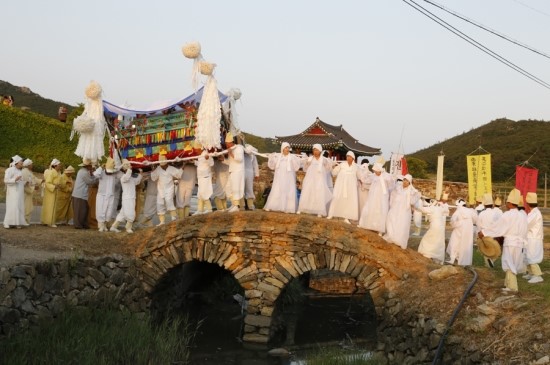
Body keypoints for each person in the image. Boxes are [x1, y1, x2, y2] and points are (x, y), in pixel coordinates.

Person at [479, 188, 528, 292]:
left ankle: (512, 287)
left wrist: (484, 233)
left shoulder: (508, 215)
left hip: (510, 243)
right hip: (520, 243)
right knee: (513, 264)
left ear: (510, 203)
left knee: (509, 264)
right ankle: (507, 284)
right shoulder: (522, 215)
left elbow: (497, 228)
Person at [383, 174, 421, 249]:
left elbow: (412, 202)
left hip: (404, 211)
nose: (405, 182)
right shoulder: (398, 187)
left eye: (407, 181)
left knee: (402, 225)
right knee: (391, 221)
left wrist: (417, 195)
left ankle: (399, 240)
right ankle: (391, 236)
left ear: (409, 182)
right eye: (404, 180)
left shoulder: (411, 191)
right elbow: (392, 194)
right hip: (395, 208)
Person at [263, 142, 301, 213]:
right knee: (277, 189)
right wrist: (271, 157)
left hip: (289, 177)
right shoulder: (278, 157)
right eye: (286, 147)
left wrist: (297, 159)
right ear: (282, 148)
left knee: (288, 190)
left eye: (288, 148)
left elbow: (296, 167)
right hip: (279, 176)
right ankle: (272, 206)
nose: (287, 149)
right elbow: (272, 165)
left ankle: (288, 208)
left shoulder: (292, 157)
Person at [297, 144, 333, 217]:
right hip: (310, 177)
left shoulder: (324, 159)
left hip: (320, 178)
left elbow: (328, 168)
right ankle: (302, 208)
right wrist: (306, 163)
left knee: (319, 192)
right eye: (314, 150)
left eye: (316, 150)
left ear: (320, 151)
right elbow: (305, 168)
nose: (315, 151)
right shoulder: (310, 159)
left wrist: (322, 173)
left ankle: (319, 210)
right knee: (307, 190)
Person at [358, 162, 394, 234]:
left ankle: (380, 229)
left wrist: (391, 179)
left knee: (381, 211)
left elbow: (391, 186)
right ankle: (366, 224)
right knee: (370, 208)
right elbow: (364, 180)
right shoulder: (373, 176)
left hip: (382, 197)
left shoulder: (386, 176)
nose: (375, 172)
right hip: (373, 196)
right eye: (374, 171)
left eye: (376, 170)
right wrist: (365, 171)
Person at [327, 151, 361, 223]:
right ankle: (331, 214)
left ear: (353, 158)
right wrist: (331, 167)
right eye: (347, 156)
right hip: (341, 185)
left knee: (348, 201)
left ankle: (346, 217)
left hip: (350, 187)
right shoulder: (342, 164)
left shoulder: (356, 167)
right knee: (336, 197)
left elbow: (360, 176)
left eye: (350, 157)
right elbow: (334, 172)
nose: (348, 158)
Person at [110, 160, 142, 233]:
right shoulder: (123, 177)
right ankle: (128, 228)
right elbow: (127, 176)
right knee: (130, 212)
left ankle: (113, 227)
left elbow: (137, 181)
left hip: (131, 198)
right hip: (127, 198)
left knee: (122, 214)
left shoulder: (131, 178)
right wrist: (129, 169)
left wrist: (140, 173)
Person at [151, 155, 182, 225]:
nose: (162, 166)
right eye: (161, 165)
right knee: (159, 204)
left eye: (164, 165)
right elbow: (153, 178)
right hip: (161, 189)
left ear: (167, 163)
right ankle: (162, 221)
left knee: (169, 201)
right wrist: (153, 169)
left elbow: (179, 175)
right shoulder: (158, 169)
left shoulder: (171, 168)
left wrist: (182, 167)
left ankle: (174, 217)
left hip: (169, 188)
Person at [446, 198, 477, 266]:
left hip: (459, 228)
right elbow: (475, 219)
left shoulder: (458, 211)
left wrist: (454, 225)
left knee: (455, 242)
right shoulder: (470, 211)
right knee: (465, 243)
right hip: (468, 228)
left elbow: (453, 220)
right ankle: (463, 260)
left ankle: (453, 258)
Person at [476, 193, 503, 267]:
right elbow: (500, 224)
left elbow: (478, 225)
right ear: (492, 204)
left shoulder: (482, 214)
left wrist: (478, 233)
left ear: (484, 205)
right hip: (494, 235)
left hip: (484, 235)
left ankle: (488, 263)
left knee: (486, 250)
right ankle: (491, 262)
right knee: (495, 250)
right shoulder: (496, 213)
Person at [417, 199, 448, 264]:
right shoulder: (439, 209)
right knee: (439, 241)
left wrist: (413, 204)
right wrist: (442, 204)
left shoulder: (431, 208)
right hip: (441, 226)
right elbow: (446, 210)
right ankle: (437, 257)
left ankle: (427, 253)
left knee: (427, 239)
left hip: (435, 226)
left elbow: (421, 209)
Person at [94, 157, 120, 232]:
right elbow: (95, 175)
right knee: (101, 211)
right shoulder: (101, 172)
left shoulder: (114, 173)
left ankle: (104, 225)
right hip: (102, 195)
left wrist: (115, 166)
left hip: (111, 196)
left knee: (108, 212)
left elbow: (119, 169)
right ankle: (101, 226)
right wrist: (100, 167)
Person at [523, 192, 544, 284]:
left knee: (532, 256)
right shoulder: (534, 212)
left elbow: (526, 224)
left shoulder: (535, 213)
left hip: (533, 238)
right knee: (528, 256)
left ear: (527, 204)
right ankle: (531, 273)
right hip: (531, 238)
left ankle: (537, 275)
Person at [72, 158, 97, 229]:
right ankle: (78, 225)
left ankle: (83, 224)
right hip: (79, 194)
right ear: (87, 166)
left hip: (81, 194)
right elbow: (90, 182)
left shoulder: (83, 171)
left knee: (83, 210)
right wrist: (97, 178)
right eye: (90, 166)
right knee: (80, 211)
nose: (91, 167)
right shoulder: (84, 172)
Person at [3, 155, 27, 229]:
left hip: (19, 192)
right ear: (16, 162)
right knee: (12, 206)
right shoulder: (9, 170)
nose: (22, 163)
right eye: (21, 162)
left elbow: (20, 181)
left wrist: (25, 182)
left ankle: (17, 222)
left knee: (19, 206)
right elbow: (6, 180)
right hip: (12, 192)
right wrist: (14, 180)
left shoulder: (20, 171)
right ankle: (7, 223)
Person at [225, 132, 246, 213]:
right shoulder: (232, 150)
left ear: (231, 142)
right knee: (229, 187)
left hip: (238, 171)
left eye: (227, 143)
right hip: (232, 171)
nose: (226, 145)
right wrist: (222, 159)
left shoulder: (239, 148)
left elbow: (239, 159)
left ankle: (237, 206)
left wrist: (230, 153)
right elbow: (230, 162)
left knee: (236, 188)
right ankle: (234, 204)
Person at [41, 158, 62, 227]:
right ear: (55, 166)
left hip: (54, 191)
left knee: (51, 206)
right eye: (59, 165)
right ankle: (50, 222)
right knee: (50, 206)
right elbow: (48, 182)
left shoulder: (57, 172)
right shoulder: (51, 172)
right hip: (51, 191)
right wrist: (54, 186)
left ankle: (47, 220)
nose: (60, 166)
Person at [193, 150, 214, 215]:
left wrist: (207, 159)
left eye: (196, 149)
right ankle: (200, 210)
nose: (196, 151)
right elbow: (200, 164)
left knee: (204, 193)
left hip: (205, 177)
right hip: (200, 178)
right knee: (200, 194)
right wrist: (193, 161)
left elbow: (212, 163)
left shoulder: (206, 154)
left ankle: (209, 209)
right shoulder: (199, 155)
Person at [21, 159, 42, 224]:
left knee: (29, 207)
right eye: (31, 164)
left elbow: (34, 179)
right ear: (28, 165)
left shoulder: (29, 171)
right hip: (25, 193)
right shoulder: (24, 172)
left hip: (29, 193)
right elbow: (24, 184)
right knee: (26, 207)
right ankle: (23, 221)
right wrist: (33, 188)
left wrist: (41, 181)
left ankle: (26, 221)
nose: (32, 165)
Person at [244, 144, 260, 210]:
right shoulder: (241, 152)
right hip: (241, 171)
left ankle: (250, 204)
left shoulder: (253, 155)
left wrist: (257, 174)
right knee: (241, 188)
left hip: (250, 172)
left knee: (249, 188)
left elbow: (255, 164)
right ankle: (241, 205)